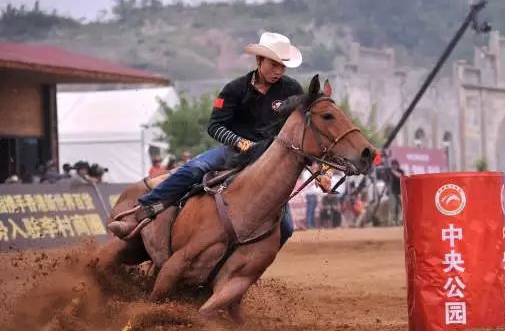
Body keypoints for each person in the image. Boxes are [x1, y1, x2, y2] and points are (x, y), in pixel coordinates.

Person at [108, 32, 331, 243]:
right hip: (234, 152)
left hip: (270, 160)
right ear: (259, 60)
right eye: (274, 65)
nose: (279, 71)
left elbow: (301, 130)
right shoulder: (234, 89)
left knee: (286, 229)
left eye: (282, 66)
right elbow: (214, 126)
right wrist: (239, 142)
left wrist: (319, 169)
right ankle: (139, 212)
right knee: (193, 169)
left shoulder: (291, 89)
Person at [386, 159, 405, 226]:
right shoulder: (389, 172)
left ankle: (399, 222)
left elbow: (400, 176)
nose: (394, 166)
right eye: (393, 165)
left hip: (400, 192)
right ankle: (391, 222)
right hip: (392, 192)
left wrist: (393, 171)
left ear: (397, 165)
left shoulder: (401, 171)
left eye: (395, 164)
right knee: (392, 208)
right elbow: (387, 180)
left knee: (400, 208)